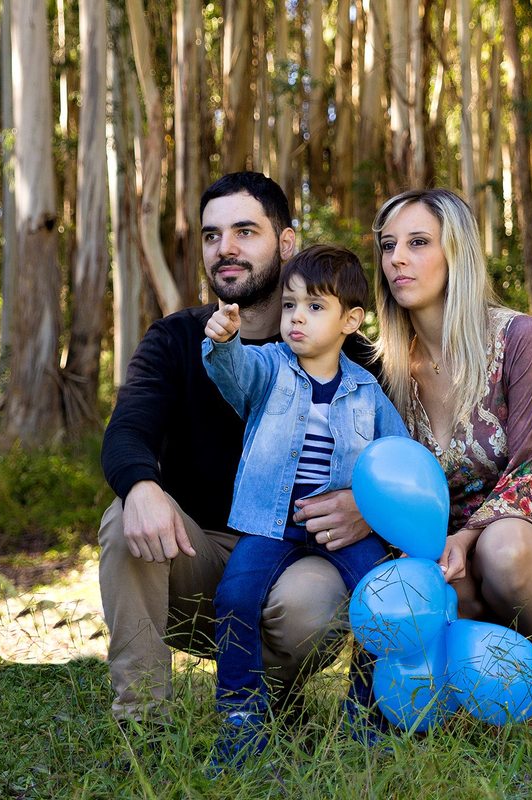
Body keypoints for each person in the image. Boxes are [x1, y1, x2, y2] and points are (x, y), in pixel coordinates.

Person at [99, 173, 378, 730]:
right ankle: (144, 721)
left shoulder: (348, 354)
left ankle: (270, 699)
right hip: (195, 556)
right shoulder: (177, 338)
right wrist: (142, 486)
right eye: (211, 235)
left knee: (309, 605)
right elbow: (127, 430)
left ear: (288, 243)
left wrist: (362, 503)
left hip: (296, 558)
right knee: (122, 516)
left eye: (245, 231)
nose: (225, 248)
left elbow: (394, 455)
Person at [371, 188, 532, 718]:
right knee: (426, 583)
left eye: (417, 243)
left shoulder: (518, 337)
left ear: (456, 252)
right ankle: (469, 689)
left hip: (529, 541)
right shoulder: (383, 367)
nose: (397, 260)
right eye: (388, 247)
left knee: (501, 551)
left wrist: (469, 535)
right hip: (443, 558)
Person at [201, 244, 408, 768]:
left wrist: (390, 523)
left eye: (315, 307)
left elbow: (397, 459)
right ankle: (241, 715)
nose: (297, 317)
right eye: (290, 305)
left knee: (379, 602)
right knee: (235, 594)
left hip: (343, 530)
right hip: (269, 521)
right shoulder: (269, 367)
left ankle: (369, 715)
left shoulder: (365, 390)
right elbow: (235, 374)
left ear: (350, 321)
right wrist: (223, 343)